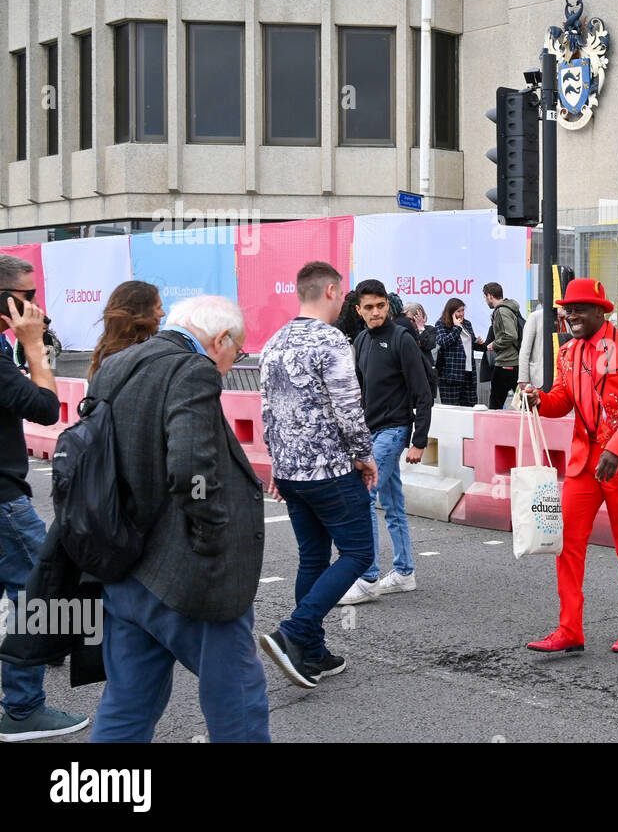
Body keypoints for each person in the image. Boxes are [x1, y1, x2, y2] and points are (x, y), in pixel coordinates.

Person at [88, 296, 269, 742]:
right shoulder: (193, 368)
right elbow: (191, 472)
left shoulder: (116, 363)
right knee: (238, 700)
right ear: (221, 339)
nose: (231, 364)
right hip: (186, 577)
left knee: (129, 703)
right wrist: (210, 538)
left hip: (123, 568)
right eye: (237, 352)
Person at [521, 278, 618, 655]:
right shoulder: (568, 353)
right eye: (567, 309)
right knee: (567, 545)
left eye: (579, 308)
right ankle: (570, 629)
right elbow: (562, 401)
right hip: (584, 461)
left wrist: (615, 449)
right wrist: (539, 400)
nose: (570, 315)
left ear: (601, 310)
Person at [259, 262, 378, 688]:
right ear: (330, 291)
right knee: (359, 554)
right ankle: (293, 631)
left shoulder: (274, 342)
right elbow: (348, 407)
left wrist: (277, 463)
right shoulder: (330, 341)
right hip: (329, 468)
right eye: (342, 294)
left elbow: (268, 412)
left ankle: (312, 653)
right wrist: (365, 456)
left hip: (291, 471)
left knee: (313, 557)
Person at [0, 255, 90, 742]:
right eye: (27, 296)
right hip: (3, 499)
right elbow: (42, 407)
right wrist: (33, 348)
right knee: (43, 591)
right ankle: (22, 710)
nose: (36, 305)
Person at [337, 280, 433, 606]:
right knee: (392, 502)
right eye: (369, 307)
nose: (376, 312)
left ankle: (367, 577)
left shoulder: (402, 339)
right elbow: (360, 393)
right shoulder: (362, 340)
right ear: (359, 310)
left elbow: (423, 392)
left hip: (394, 431)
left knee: (364, 495)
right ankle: (404, 573)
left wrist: (418, 440)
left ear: (387, 307)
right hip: (371, 431)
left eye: (381, 306)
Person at [87, 280, 166, 380]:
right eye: (158, 308)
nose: (163, 313)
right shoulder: (137, 359)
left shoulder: (107, 354)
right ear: (141, 313)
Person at [433, 298, 484, 407]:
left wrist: (478, 343)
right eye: (458, 311)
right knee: (452, 409)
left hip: (468, 373)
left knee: (470, 407)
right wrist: (456, 327)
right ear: (451, 312)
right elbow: (443, 342)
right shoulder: (441, 324)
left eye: (463, 310)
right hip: (450, 375)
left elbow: (469, 344)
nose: (461, 314)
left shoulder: (467, 324)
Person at [483, 282, 523, 409]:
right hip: (515, 361)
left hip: (506, 362)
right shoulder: (511, 308)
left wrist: (494, 345)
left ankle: (494, 428)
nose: (485, 301)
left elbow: (510, 335)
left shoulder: (501, 311)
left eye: (485, 297)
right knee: (522, 403)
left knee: (495, 404)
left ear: (490, 296)